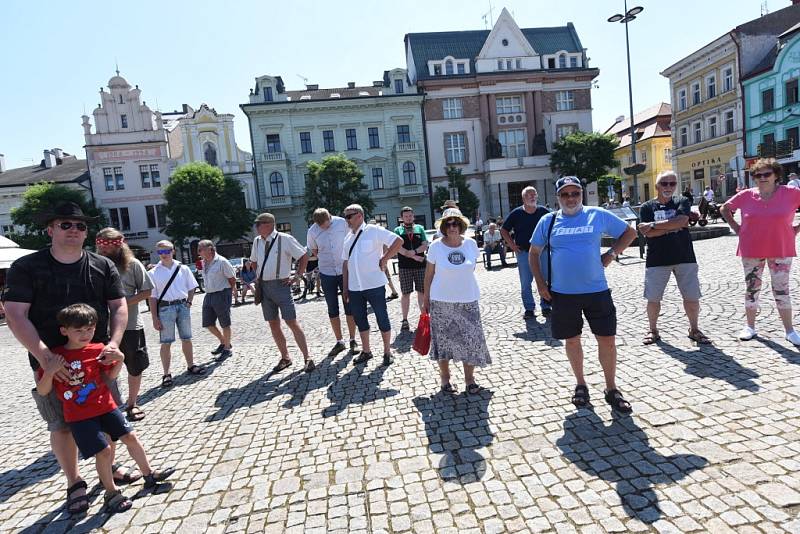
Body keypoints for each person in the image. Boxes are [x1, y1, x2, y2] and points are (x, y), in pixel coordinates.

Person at [3, 201, 128, 516]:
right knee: (60, 426)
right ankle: (74, 482)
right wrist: (44, 356)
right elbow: (16, 315)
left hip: (97, 360)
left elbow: (118, 306)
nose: (74, 230)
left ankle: (108, 468)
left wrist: (114, 343)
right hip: (50, 364)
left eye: (80, 226)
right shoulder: (27, 267)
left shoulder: (102, 265)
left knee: (106, 418)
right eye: (66, 224)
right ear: (50, 229)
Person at [37, 304, 174, 513]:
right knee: (103, 451)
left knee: (131, 437)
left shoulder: (98, 349)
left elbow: (110, 376)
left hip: (106, 406)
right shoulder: (55, 356)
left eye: (89, 329)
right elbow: (43, 390)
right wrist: (49, 372)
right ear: (64, 330)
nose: (85, 334)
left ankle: (149, 474)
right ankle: (111, 492)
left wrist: (120, 359)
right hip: (79, 416)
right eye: (79, 330)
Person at [529, 177, 637, 414]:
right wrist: (539, 283)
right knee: (572, 340)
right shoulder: (548, 221)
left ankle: (611, 388)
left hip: (597, 290)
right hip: (563, 293)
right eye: (565, 194)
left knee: (607, 340)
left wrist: (610, 255)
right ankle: (581, 383)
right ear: (558, 197)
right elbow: (534, 252)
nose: (570, 198)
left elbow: (630, 232)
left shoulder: (596, 214)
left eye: (575, 193)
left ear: (581, 195)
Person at [720, 158, 800, 345]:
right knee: (752, 288)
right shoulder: (746, 195)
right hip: (751, 249)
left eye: (766, 174)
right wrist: (737, 228)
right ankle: (750, 327)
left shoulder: (791, 193)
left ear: (776, 175)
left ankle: (790, 330)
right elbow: (725, 208)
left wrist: (796, 229)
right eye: (757, 175)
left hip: (781, 247)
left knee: (782, 290)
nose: (762, 178)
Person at [423, 208, 491, 394]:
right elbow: (429, 275)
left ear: (461, 225)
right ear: (444, 227)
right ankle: (445, 379)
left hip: (468, 300)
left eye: (455, 223)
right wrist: (426, 298)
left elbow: (471, 270)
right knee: (443, 342)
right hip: (441, 300)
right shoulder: (436, 246)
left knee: (470, 340)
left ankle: (470, 380)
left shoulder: (470, 244)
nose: (452, 227)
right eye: (448, 223)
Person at [637, 171, 710, 345]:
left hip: (685, 257)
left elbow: (682, 221)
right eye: (664, 183)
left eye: (672, 183)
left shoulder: (682, 201)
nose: (668, 187)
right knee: (653, 298)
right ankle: (653, 330)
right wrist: (673, 225)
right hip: (657, 259)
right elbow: (648, 234)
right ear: (657, 186)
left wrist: (654, 225)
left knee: (692, 297)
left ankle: (694, 329)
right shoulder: (647, 207)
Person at [95, 227, 154, 421]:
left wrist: (120, 304)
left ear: (118, 246)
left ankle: (132, 403)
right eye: (100, 246)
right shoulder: (94, 265)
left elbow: (147, 291)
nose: (103, 250)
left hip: (129, 326)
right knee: (101, 367)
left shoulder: (132, 264)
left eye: (107, 247)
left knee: (134, 365)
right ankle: (108, 406)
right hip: (100, 327)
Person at [250, 213, 315, 373]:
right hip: (264, 287)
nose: (256, 227)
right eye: (256, 224)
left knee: (291, 321)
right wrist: (258, 277)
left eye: (259, 224)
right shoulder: (257, 241)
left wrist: (298, 276)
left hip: (281, 284)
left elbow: (303, 256)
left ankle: (307, 357)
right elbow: (253, 261)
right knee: (273, 324)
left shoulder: (285, 239)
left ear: (269, 224)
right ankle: (285, 357)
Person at [342, 204, 403, 367]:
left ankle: (387, 352)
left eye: (349, 216)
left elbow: (398, 241)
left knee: (382, 318)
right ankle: (366, 351)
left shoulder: (373, 230)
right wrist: (345, 288)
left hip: (374, 284)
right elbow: (345, 264)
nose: (346, 219)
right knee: (360, 320)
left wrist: (385, 259)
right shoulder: (348, 238)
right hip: (355, 288)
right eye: (345, 216)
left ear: (359, 216)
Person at [148, 240, 204, 388]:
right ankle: (166, 373)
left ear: (173, 251)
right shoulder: (153, 272)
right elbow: (152, 297)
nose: (164, 254)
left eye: (167, 251)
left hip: (182, 305)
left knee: (187, 338)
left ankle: (191, 365)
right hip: (165, 309)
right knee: (166, 342)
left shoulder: (183, 268)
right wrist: (154, 317)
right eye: (160, 252)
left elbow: (192, 287)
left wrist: (189, 302)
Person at [307, 208, 358, 357]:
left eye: (327, 224)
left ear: (330, 217)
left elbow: (353, 238)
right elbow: (314, 251)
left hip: (345, 270)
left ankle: (353, 339)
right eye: (321, 226)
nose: (324, 227)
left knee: (349, 306)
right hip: (327, 271)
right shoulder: (312, 231)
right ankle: (339, 341)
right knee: (332, 308)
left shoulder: (342, 223)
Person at [501, 186, 551, 319]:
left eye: (534, 194)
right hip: (524, 253)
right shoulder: (516, 213)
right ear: (523, 198)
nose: (532, 197)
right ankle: (529, 309)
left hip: (543, 252)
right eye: (529, 195)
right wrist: (512, 245)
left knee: (546, 279)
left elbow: (554, 226)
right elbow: (504, 230)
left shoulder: (544, 212)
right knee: (525, 283)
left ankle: (546, 306)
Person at [198, 240, 236, 361]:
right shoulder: (204, 263)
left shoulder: (222, 261)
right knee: (208, 323)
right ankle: (224, 342)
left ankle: (227, 349)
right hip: (209, 294)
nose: (199, 252)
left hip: (222, 293)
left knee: (225, 322)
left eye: (201, 249)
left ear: (210, 249)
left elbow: (232, 278)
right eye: (199, 249)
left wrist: (229, 293)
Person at [393, 206, 429, 331]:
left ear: (413, 216)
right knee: (405, 293)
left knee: (422, 292)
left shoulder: (420, 228)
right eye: (405, 216)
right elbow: (397, 248)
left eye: (410, 216)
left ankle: (424, 317)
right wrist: (415, 257)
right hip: (405, 267)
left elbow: (425, 245)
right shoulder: (397, 230)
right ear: (402, 218)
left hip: (420, 266)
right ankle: (404, 319)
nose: (408, 218)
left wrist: (413, 252)